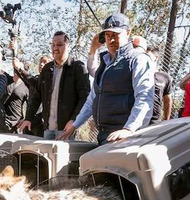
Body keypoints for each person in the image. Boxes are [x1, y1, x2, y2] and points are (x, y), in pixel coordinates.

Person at [58, 13, 154, 144]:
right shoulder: (104, 64)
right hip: (105, 135)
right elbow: (92, 100)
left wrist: (129, 129)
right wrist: (74, 126)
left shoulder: (138, 59)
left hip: (125, 138)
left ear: (127, 32)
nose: (111, 40)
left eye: (115, 35)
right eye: (108, 35)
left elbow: (145, 97)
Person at [19, 31, 90, 139]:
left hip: (66, 130)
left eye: (59, 45)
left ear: (68, 46)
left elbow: (85, 97)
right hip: (47, 129)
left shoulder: (78, 68)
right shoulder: (47, 69)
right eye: (53, 45)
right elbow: (37, 96)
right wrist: (28, 118)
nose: (55, 48)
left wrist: (74, 120)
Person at [13, 53, 52, 136]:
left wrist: (20, 69)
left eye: (45, 62)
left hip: (40, 123)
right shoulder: (36, 78)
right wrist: (14, 54)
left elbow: (31, 80)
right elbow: (24, 78)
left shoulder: (49, 82)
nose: (41, 64)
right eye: (41, 62)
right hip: (29, 122)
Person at [147, 45, 173, 123]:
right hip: (138, 118)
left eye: (148, 56)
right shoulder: (137, 74)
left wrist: (166, 121)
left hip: (155, 120)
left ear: (156, 58)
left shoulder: (165, 77)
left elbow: (167, 101)